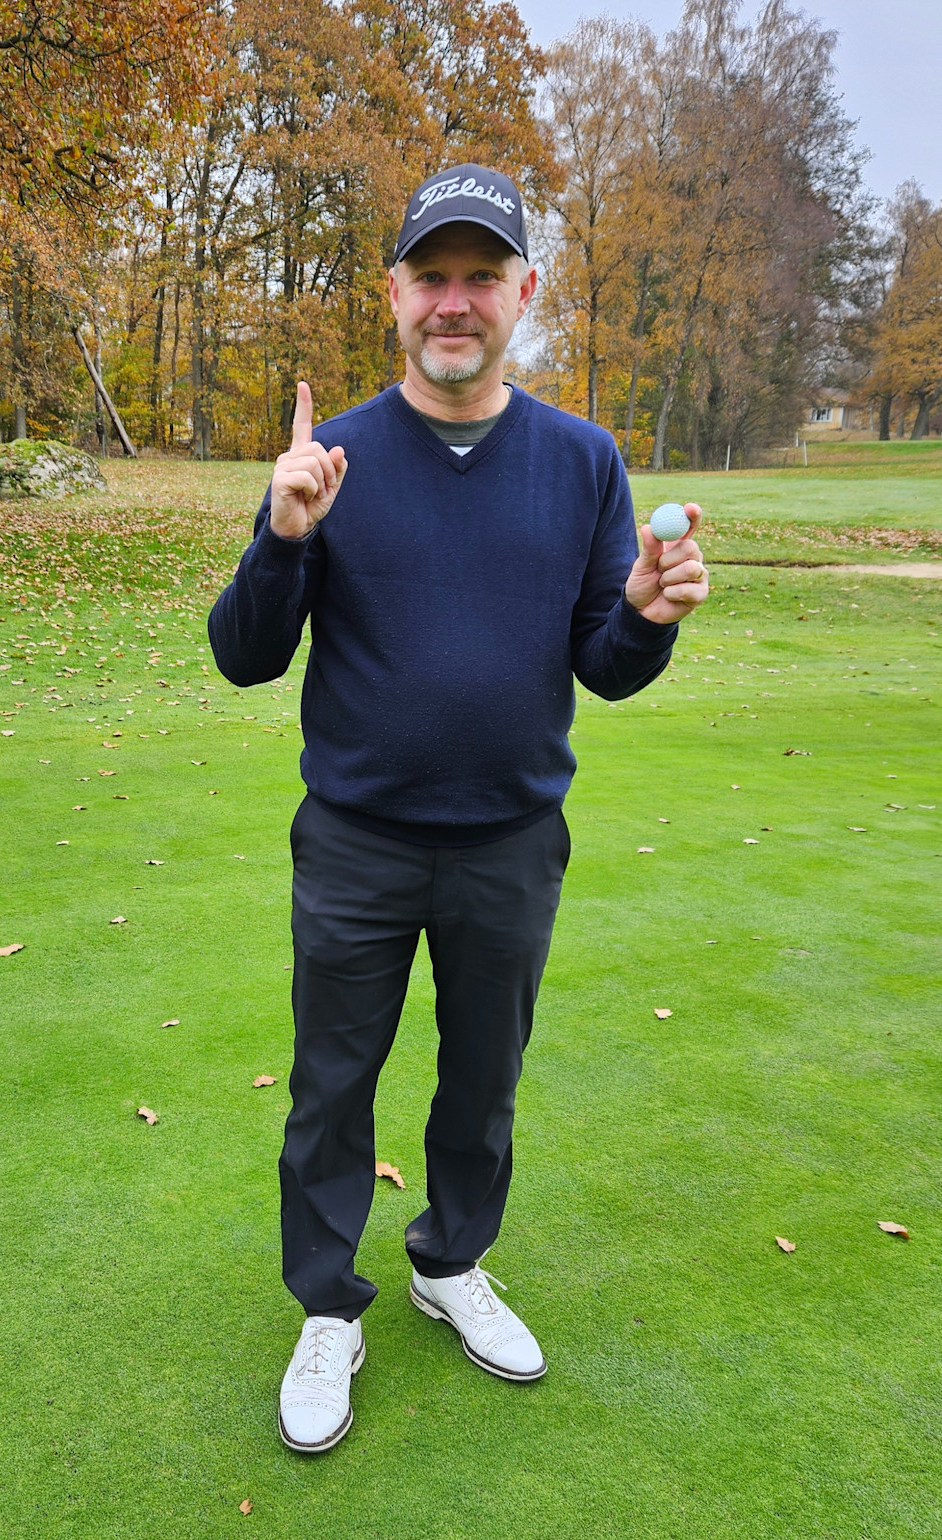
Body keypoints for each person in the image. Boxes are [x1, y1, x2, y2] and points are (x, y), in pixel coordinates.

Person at [207, 163, 710, 1454]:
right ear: (393, 295)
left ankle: (449, 1264)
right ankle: (330, 1305)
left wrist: (648, 619)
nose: (455, 301)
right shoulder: (336, 459)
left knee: (482, 1084)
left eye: (482, 276)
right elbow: (247, 657)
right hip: (360, 840)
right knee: (332, 1086)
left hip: (510, 842)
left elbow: (601, 660)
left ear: (523, 293)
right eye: (432, 275)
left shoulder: (582, 462)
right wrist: (284, 535)